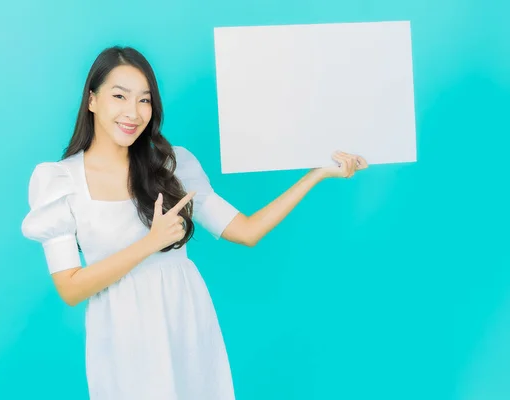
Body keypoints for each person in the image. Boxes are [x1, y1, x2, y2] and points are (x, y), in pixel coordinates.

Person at [21, 46, 368, 400]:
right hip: (124, 339)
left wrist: (317, 175)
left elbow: (247, 231)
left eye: (144, 100)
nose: (133, 112)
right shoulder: (60, 181)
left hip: (187, 325)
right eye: (119, 96)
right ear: (92, 100)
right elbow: (71, 288)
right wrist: (149, 243)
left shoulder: (172, 167)